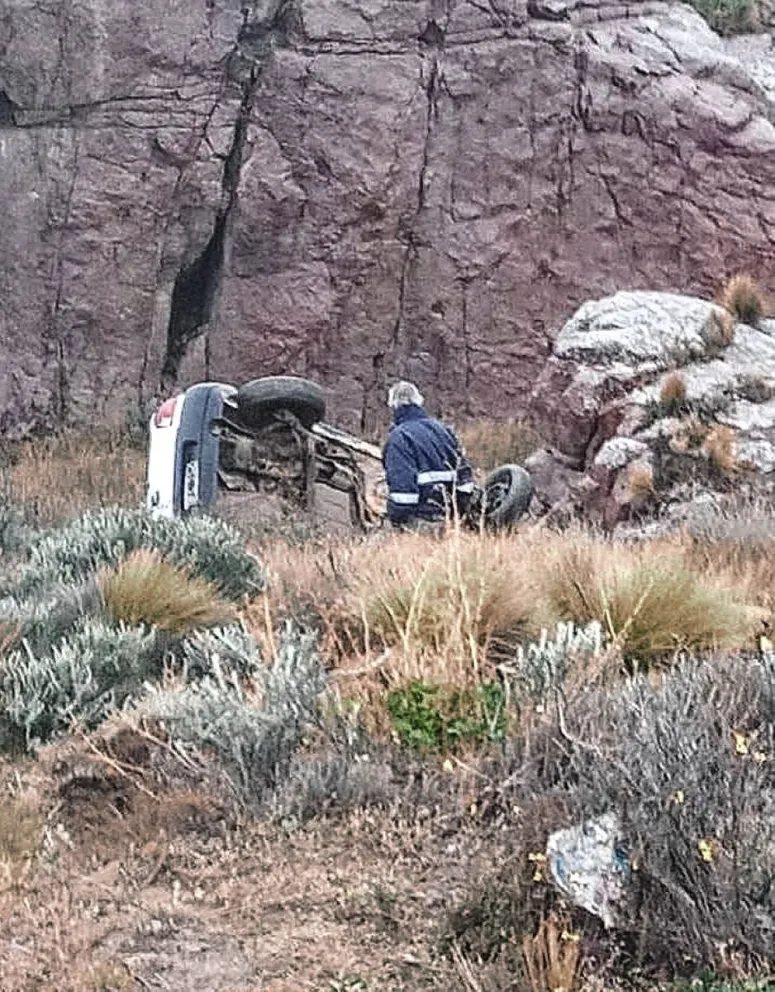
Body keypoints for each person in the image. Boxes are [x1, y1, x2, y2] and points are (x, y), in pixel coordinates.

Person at [382, 381, 474, 530]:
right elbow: (464, 475)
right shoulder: (443, 430)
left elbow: (403, 494)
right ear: (419, 401)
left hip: (423, 519)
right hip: (452, 516)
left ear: (393, 406)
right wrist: (462, 512)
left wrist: (394, 516)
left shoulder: (399, 437)